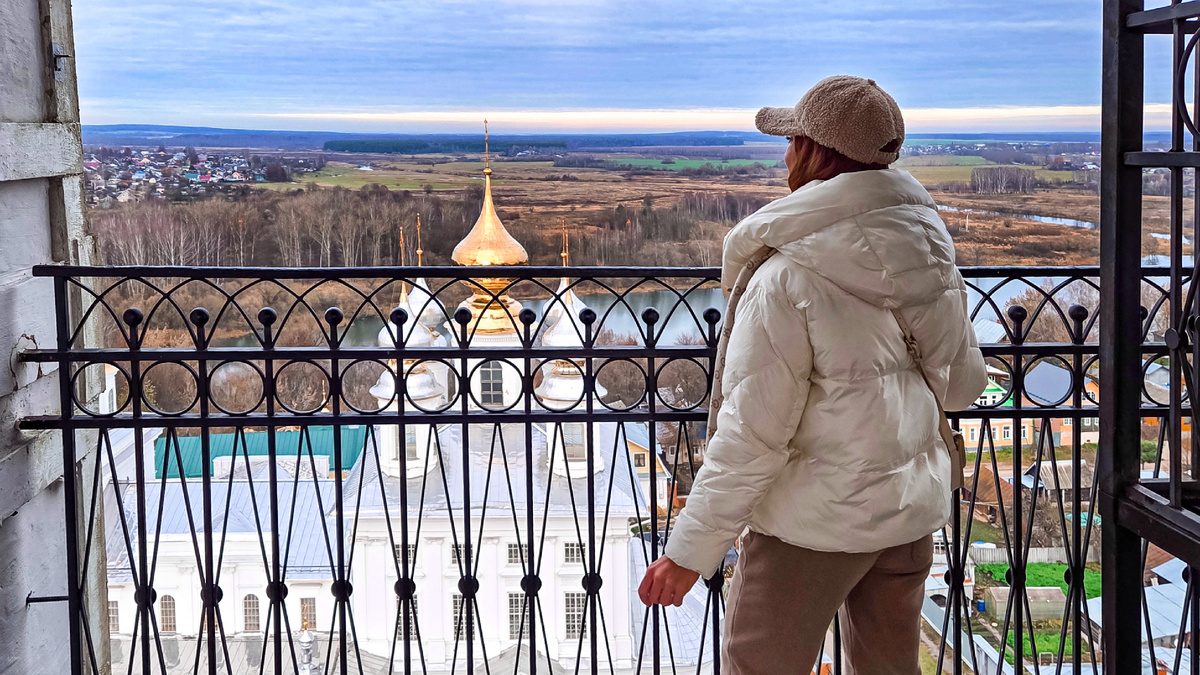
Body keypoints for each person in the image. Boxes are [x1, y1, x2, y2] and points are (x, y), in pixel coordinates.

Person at [637, 75, 988, 674]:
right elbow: (962, 385)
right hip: (906, 514)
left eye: (794, 139)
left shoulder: (786, 277)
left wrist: (690, 552)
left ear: (817, 151)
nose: (784, 153)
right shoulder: (928, 252)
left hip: (811, 528)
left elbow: (752, 434)